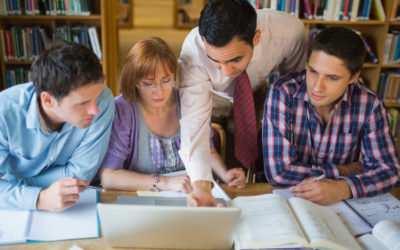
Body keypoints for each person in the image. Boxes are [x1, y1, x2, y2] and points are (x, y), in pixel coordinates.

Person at [178, 0, 307, 206]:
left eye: (235, 59)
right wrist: (202, 187)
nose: (227, 71)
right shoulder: (193, 50)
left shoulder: (289, 33)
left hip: (254, 94)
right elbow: (194, 126)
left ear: (256, 38)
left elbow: (294, 92)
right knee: (213, 164)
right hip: (212, 98)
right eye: (216, 61)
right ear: (203, 41)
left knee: (245, 173)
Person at [263, 27, 400, 205]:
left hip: (339, 202)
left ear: (354, 77)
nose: (317, 87)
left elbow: (390, 171)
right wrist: (343, 171)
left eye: (332, 78)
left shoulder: (369, 104)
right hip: (289, 199)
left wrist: (343, 188)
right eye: (312, 71)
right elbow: (279, 173)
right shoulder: (283, 92)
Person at [99, 37, 245, 193]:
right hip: (142, 201)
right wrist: (164, 182)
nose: (159, 91)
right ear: (134, 81)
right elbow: (108, 177)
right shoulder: (123, 111)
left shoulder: (188, 100)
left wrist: (225, 174)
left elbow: (204, 149)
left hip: (189, 197)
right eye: (149, 84)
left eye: (166, 80)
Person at [0, 41, 115, 211]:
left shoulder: (103, 99)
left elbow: (80, 178)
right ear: (48, 100)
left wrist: (13, 182)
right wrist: (39, 199)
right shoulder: (4, 113)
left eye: (95, 98)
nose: (95, 110)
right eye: (82, 103)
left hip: (76, 204)